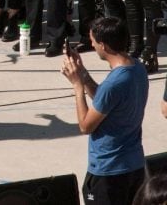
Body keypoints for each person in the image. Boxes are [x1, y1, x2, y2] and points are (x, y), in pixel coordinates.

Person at [61, 16, 148, 205]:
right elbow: (106, 101)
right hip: (135, 166)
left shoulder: (113, 84)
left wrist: (77, 86)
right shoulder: (138, 69)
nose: (92, 45)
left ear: (104, 46)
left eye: (93, 41)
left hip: (108, 171)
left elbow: (85, 126)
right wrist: (82, 73)